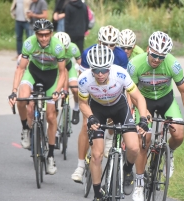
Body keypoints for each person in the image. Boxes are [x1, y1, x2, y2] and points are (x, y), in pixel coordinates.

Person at [127, 31, 184, 201]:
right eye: (154, 55)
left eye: (161, 56)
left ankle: (170, 152)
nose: (157, 59)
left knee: (179, 134)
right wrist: (141, 112)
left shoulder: (172, 65)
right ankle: (139, 184)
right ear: (148, 49)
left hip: (166, 101)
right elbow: (131, 94)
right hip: (144, 101)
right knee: (144, 140)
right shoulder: (135, 64)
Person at [78, 44, 149, 201]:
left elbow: (138, 97)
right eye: (96, 70)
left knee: (133, 147)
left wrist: (143, 118)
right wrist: (90, 117)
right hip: (98, 110)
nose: (100, 74)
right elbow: (82, 103)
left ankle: (127, 170)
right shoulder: (84, 80)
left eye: (104, 70)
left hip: (120, 108)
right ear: (91, 69)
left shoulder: (121, 74)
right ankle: (97, 193)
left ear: (110, 67)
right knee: (96, 155)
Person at [8, 19, 67, 175]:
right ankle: (26, 129)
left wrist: (58, 90)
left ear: (51, 33)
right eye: (40, 35)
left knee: (51, 116)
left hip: (51, 77)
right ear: (35, 34)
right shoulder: (28, 43)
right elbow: (20, 69)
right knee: (22, 98)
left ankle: (51, 157)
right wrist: (14, 91)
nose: (43, 38)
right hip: (33, 73)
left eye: (46, 34)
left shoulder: (58, 47)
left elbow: (62, 72)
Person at [71, 25, 129, 183]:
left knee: (113, 116)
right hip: (92, 91)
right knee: (85, 125)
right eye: (104, 44)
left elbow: (123, 84)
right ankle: (80, 165)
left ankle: (109, 138)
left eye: (112, 45)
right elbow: (82, 77)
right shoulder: (88, 53)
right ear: (98, 41)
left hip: (111, 92)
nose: (108, 48)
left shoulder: (121, 56)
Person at [54, 32, 81, 124]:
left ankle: (76, 108)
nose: (63, 51)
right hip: (55, 69)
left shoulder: (73, 48)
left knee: (75, 89)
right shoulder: (51, 48)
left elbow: (81, 64)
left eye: (65, 49)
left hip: (69, 67)